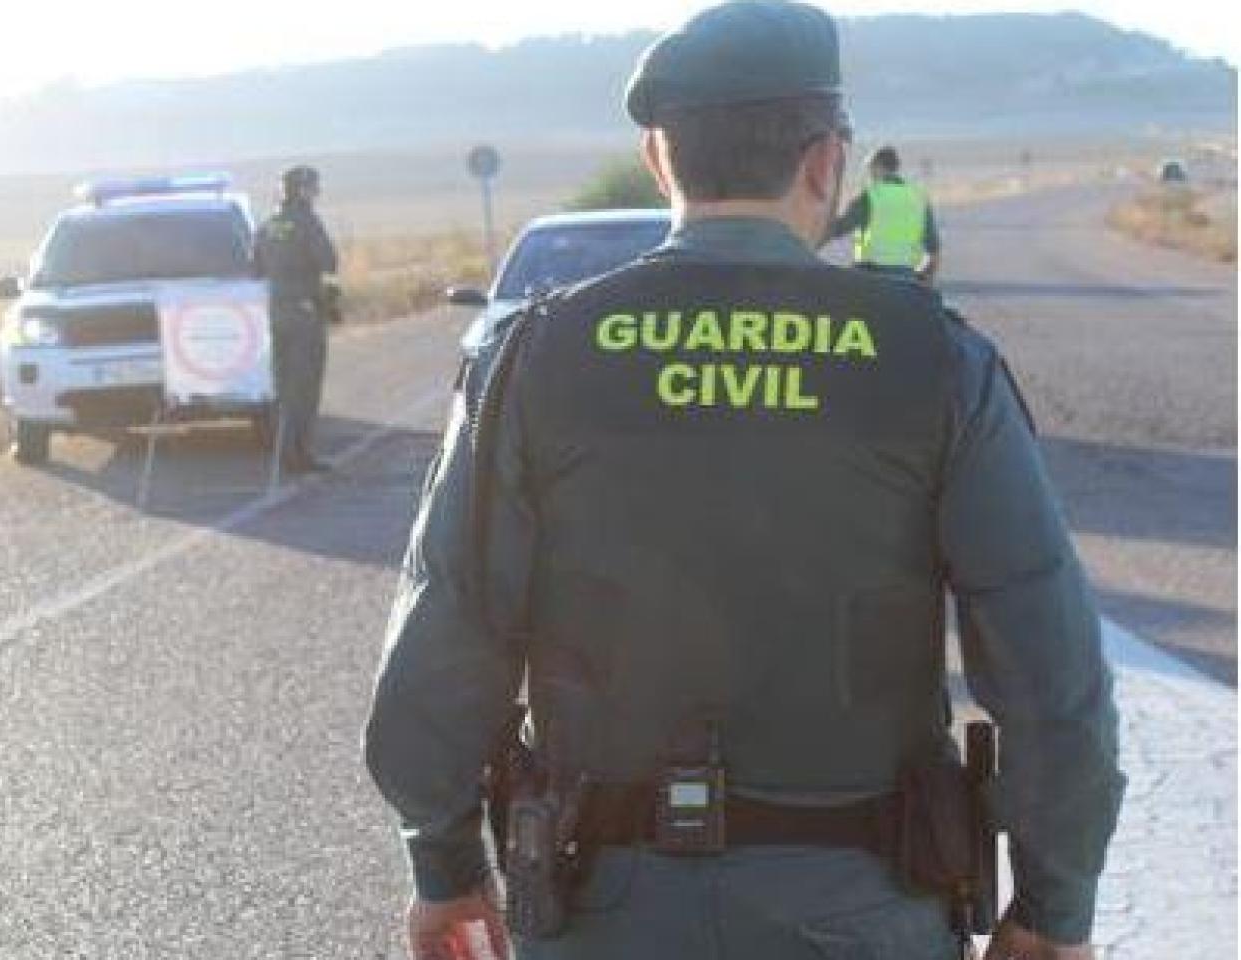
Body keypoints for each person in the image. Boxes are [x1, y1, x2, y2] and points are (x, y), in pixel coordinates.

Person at [363, 3, 1123, 959]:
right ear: (825, 163)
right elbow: (1050, 662)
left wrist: (443, 862)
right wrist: (1056, 905)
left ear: (658, 158)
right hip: (866, 904)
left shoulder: (538, 357)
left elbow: (452, 626)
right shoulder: (930, 358)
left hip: (602, 902)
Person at [253, 164, 339, 473]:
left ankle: (282, 450)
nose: (315, 193)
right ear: (302, 190)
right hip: (304, 313)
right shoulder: (306, 222)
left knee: (281, 384)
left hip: (274, 314)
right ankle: (297, 455)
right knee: (304, 386)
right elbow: (329, 262)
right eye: (313, 187)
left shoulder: (268, 225)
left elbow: (255, 268)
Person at [828, 145, 942, 281]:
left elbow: (838, 228)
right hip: (905, 277)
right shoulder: (918, 198)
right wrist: (921, 279)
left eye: (870, 169)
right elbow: (934, 250)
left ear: (879, 167)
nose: (869, 175)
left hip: (869, 276)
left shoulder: (869, 197)